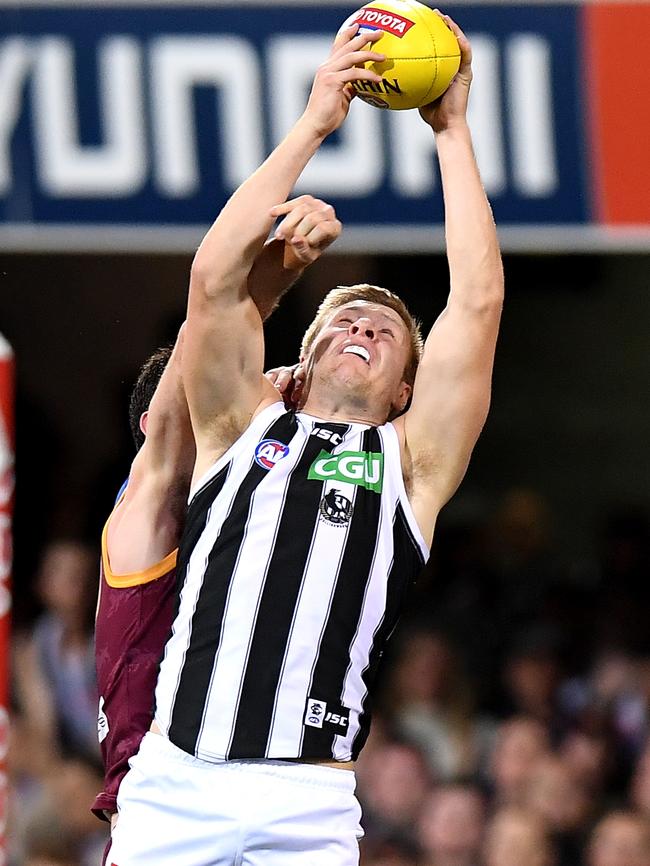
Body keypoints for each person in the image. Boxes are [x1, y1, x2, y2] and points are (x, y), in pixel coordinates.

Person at [109, 13, 503, 865]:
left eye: (388, 328)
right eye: (342, 317)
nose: (361, 321)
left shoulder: (412, 464)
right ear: (301, 354)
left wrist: (453, 130)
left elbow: (475, 305)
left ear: (407, 392)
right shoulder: (238, 425)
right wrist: (317, 120)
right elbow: (212, 282)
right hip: (178, 784)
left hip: (309, 802)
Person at [92, 199, 342, 832]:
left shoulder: (243, 517)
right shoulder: (148, 513)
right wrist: (284, 262)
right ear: (160, 427)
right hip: (160, 807)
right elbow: (209, 316)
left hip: (243, 797)